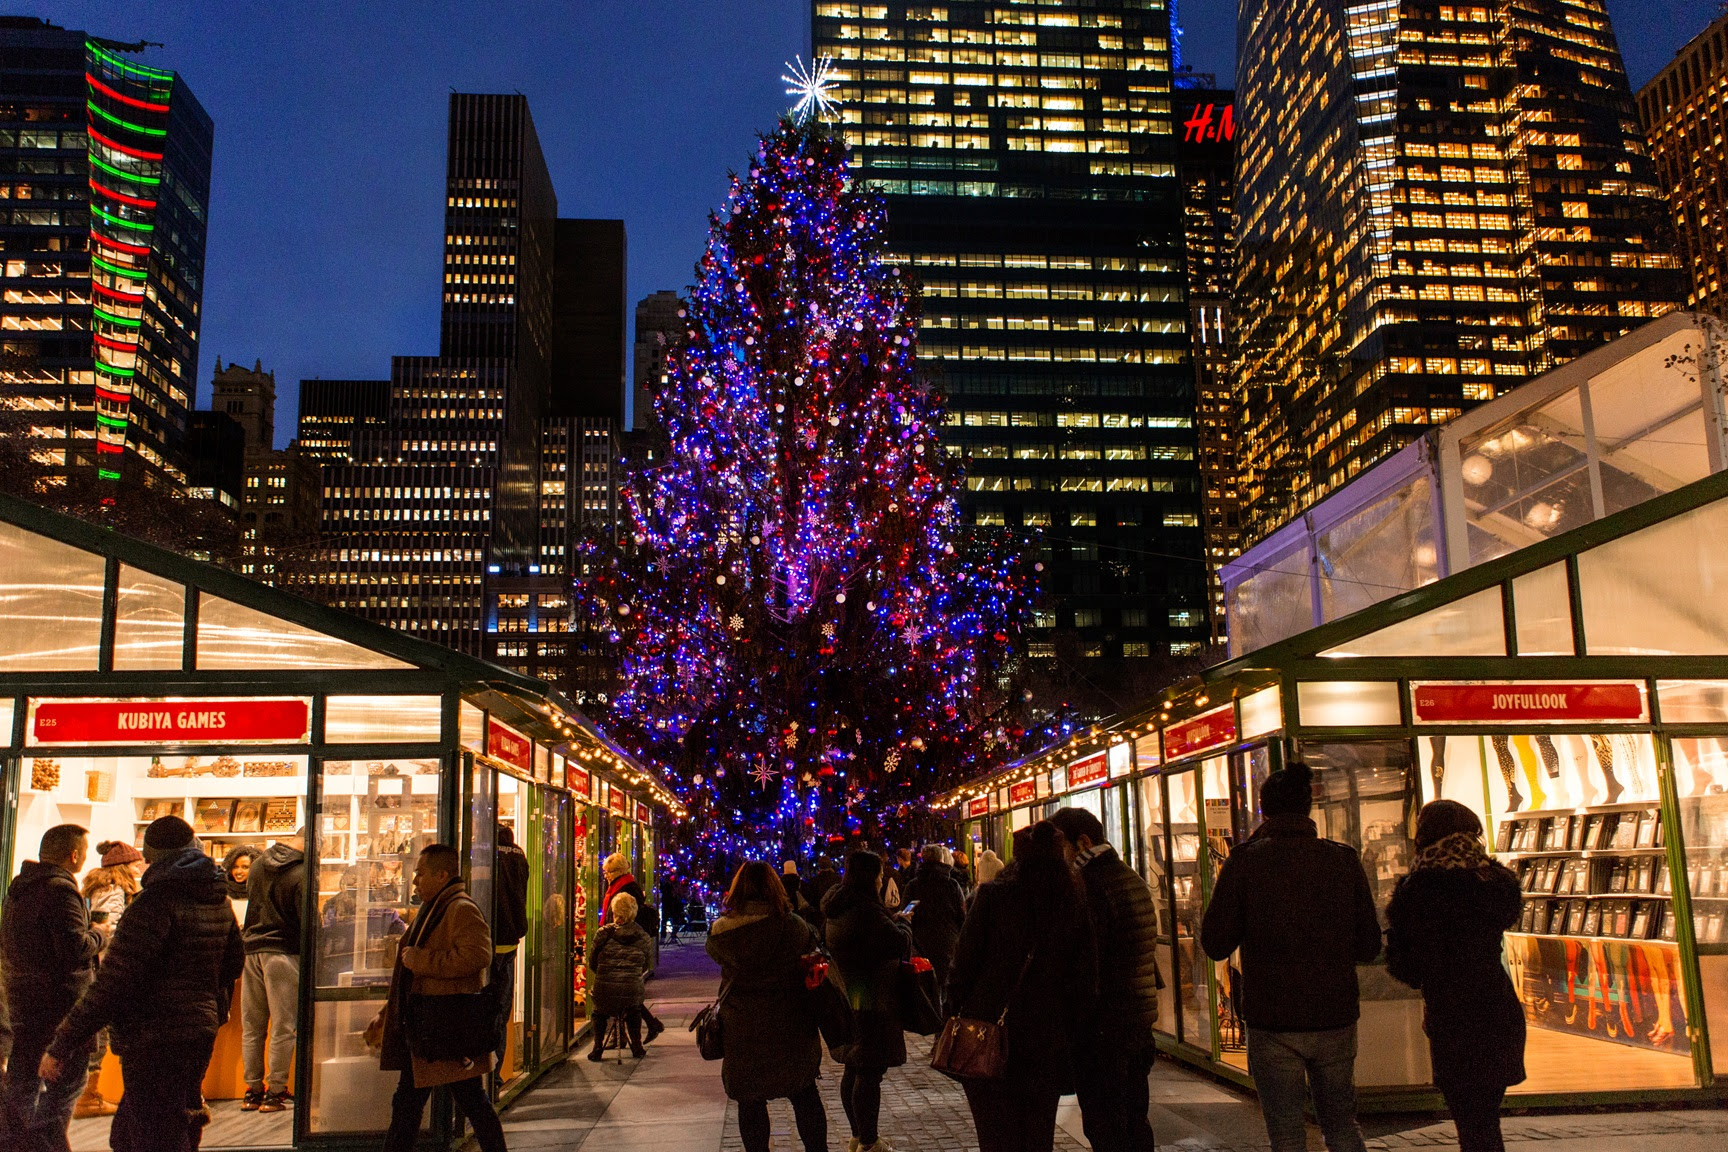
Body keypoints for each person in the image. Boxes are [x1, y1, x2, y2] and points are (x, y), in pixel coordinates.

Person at [1200, 762, 1382, 1152]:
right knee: (1342, 1126)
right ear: (1308, 807)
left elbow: (1215, 942)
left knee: (1285, 1135)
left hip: (1273, 1016)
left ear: (1264, 811)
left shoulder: (1245, 861)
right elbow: (1369, 945)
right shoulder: (1342, 859)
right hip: (1334, 1013)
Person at [42, 816, 244, 1152]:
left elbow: (113, 984)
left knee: (152, 1132)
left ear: (152, 855)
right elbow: (233, 963)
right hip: (199, 1031)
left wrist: (62, 1044)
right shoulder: (218, 900)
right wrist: (204, 1002)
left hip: (153, 1036)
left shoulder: (153, 904)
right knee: (172, 1120)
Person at [947, 821, 1097, 1152]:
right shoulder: (1072, 901)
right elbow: (1084, 978)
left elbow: (964, 963)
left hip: (990, 1030)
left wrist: (957, 1008)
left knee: (995, 1134)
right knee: (1037, 1134)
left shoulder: (993, 897)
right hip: (1047, 1039)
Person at [1386, 801, 1526, 1152]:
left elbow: (1405, 962)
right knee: (1487, 1117)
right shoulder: (1496, 881)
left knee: (1468, 1117)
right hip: (1497, 1006)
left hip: (1451, 1012)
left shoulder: (1418, 889)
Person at [365, 843, 506, 1152]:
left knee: (457, 1103)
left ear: (442, 875)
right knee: (418, 1103)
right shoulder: (436, 907)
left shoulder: (459, 908)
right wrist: (389, 1009)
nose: (415, 881)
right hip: (430, 1025)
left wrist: (422, 960)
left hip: (444, 1025)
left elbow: (477, 955)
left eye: (421, 874)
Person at [1050, 806, 1163, 1152]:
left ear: (1082, 843)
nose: (1061, 858)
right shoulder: (1130, 877)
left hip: (1104, 1029)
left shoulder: (1090, 885)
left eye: (1063, 848)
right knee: (1134, 1120)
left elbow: (1087, 965)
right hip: (1136, 1023)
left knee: (1106, 1126)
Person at [705, 862, 828, 1152]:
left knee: (750, 1100)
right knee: (804, 1093)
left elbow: (714, 953)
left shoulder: (723, 933)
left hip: (742, 1026)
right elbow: (814, 944)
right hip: (790, 1021)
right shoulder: (793, 928)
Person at [3, 824, 103, 1152]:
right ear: (74, 855)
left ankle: (16, 1143)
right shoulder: (61, 890)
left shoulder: (18, 890)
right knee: (68, 1084)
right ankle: (45, 1146)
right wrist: (101, 933)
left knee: (22, 1082)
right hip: (61, 1004)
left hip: (23, 1001)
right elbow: (75, 948)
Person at [823, 851, 914, 1152]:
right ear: (868, 877)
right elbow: (896, 942)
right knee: (869, 1071)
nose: (880, 880)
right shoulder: (865, 910)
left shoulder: (840, 905)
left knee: (856, 1066)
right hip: (872, 999)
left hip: (852, 995)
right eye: (878, 875)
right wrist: (903, 924)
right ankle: (869, 1141)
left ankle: (858, 1135)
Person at [75, 839, 145, 1119]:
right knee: (99, 1032)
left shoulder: (95, 886)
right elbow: (111, 928)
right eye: (134, 864)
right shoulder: (115, 890)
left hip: (94, 966)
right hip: (104, 968)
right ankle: (88, 1097)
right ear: (124, 866)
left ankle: (87, 1094)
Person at [240, 830, 304, 1114]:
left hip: (251, 950)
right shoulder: (301, 872)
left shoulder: (256, 865)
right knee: (283, 1025)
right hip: (282, 952)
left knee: (252, 1027)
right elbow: (305, 920)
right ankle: (275, 1092)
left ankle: (252, 1091)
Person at [599, 852, 665, 1042]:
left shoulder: (625, 889)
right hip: (625, 944)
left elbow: (625, 918)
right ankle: (647, 1026)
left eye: (608, 871)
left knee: (619, 991)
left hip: (625, 944)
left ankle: (621, 1036)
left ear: (618, 871)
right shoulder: (622, 886)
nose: (606, 875)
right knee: (624, 992)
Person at [586, 892, 655, 1060]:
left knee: (599, 1012)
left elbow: (592, 961)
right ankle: (637, 1047)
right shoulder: (643, 937)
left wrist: (605, 974)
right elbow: (644, 965)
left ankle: (597, 1047)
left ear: (614, 911)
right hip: (631, 989)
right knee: (634, 1010)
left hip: (605, 990)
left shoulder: (603, 934)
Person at [903, 844, 966, 989]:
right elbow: (962, 915)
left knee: (925, 988)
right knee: (944, 986)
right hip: (947, 943)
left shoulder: (913, 886)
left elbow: (905, 915)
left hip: (920, 944)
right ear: (941, 859)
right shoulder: (952, 885)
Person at [492, 824, 530, 1067]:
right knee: (502, 1008)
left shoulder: (488, 854)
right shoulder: (519, 857)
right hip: (511, 937)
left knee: (487, 1010)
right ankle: (497, 1068)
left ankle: (488, 1069)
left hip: (491, 937)